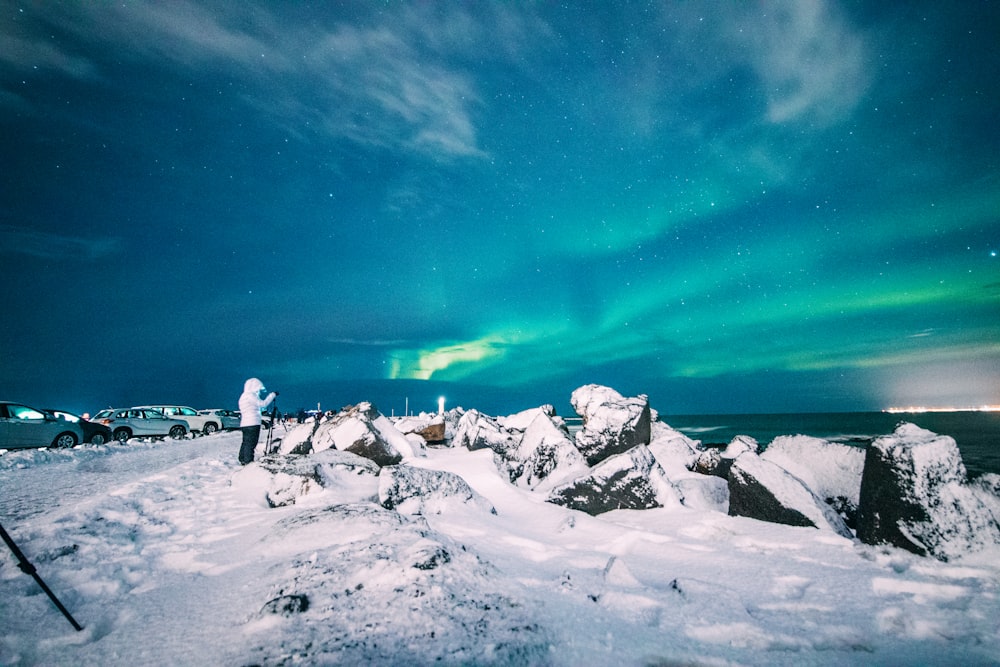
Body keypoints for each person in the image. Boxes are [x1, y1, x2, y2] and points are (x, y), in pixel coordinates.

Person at [238, 377, 277, 465]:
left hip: (245, 423)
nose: (258, 391)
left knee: (246, 442)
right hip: (253, 422)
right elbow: (263, 404)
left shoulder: (243, 396)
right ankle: (248, 462)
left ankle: (242, 458)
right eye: (258, 389)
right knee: (251, 443)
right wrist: (272, 395)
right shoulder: (251, 395)